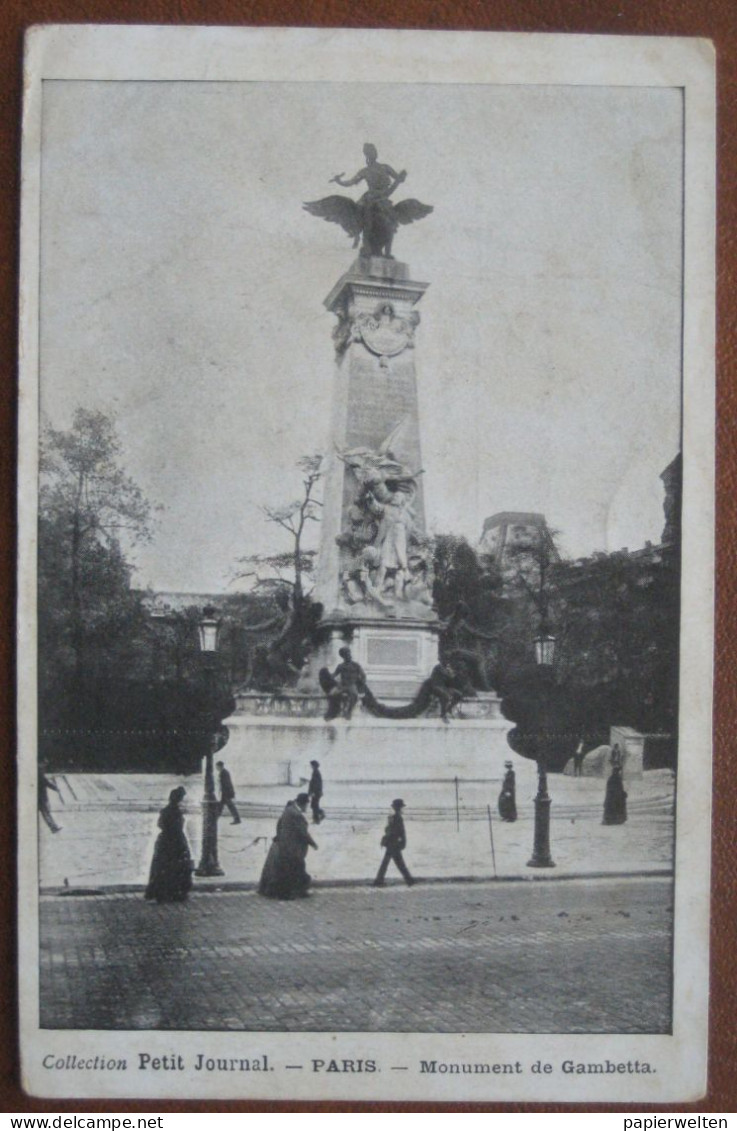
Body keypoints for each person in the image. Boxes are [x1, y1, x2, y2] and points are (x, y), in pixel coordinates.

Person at [259, 793, 318, 900]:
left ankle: (299, 891)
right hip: (293, 848)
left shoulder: (288, 810)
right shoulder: (297, 815)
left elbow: (279, 825)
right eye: (306, 805)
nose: (307, 808)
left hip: (285, 846)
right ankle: (291, 893)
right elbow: (303, 833)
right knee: (294, 870)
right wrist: (313, 843)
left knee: (294, 870)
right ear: (303, 803)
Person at [144, 786, 193, 903]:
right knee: (178, 866)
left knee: (163, 866)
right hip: (176, 841)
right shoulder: (177, 812)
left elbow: (160, 824)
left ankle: (161, 892)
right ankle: (176, 892)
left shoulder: (165, 810)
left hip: (165, 841)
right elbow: (178, 826)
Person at [373, 799, 415, 887]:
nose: (403, 809)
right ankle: (409, 880)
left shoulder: (393, 818)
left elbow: (388, 830)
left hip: (391, 843)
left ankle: (379, 881)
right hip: (394, 844)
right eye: (402, 807)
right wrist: (403, 842)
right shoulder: (398, 818)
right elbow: (399, 832)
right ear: (399, 808)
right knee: (397, 863)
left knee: (392, 863)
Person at [332, 646, 367, 720]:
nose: (349, 655)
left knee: (354, 695)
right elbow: (334, 675)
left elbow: (363, 675)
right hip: (342, 685)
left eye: (349, 653)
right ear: (343, 656)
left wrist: (361, 684)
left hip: (351, 685)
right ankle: (337, 711)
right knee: (332, 694)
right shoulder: (341, 666)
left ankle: (349, 711)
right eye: (346, 654)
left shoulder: (355, 665)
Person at [38, 762, 62, 833]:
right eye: (43, 769)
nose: (44, 771)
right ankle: (53, 827)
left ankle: (53, 827)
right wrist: (56, 788)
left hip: (38, 798)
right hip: (42, 798)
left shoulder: (38, 777)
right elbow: (48, 784)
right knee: (46, 813)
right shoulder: (41, 777)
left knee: (45, 813)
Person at [308, 760, 325, 824]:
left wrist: (313, 792)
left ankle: (317, 819)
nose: (311, 766)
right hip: (317, 792)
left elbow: (315, 784)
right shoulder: (316, 772)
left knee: (314, 806)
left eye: (311, 765)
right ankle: (320, 815)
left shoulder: (316, 772)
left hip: (316, 793)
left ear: (314, 766)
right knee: (314, 805)